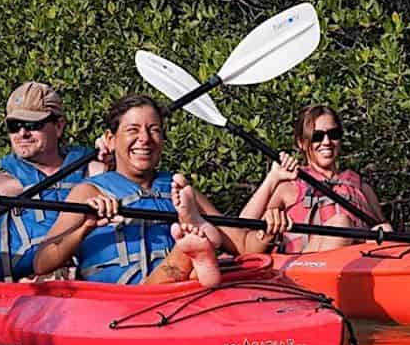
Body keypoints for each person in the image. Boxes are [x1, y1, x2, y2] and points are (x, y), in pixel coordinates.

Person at [32, 94, 289, 287]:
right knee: (190, 257)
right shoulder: (89, 192)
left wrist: (268, 230)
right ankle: (191, 248)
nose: (145, 138)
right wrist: (85, 227)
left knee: (200, 270)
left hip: (179, 298)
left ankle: (194, 250)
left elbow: (243, 245)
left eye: (153, 130)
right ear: (111, 139)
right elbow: (41, 262)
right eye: (133, 130)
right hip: (122, 302)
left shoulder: (178, 189)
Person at [0, 81, 109, 280]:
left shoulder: (97, 172)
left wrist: (119, 151)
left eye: (32, 125)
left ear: (59, 126)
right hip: (23, 288)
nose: (22, 133)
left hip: (89, 288)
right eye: (14, 126)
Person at [241, 104, 392, 253]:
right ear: (301, 143)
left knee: (384, 229)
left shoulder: (361, 187)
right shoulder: (289, 187)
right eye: (317, 136)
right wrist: (272, 179)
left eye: (333, 134)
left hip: (358, 261)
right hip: (308, 263)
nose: (327, 142)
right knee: (341, 224)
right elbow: (242, 233)